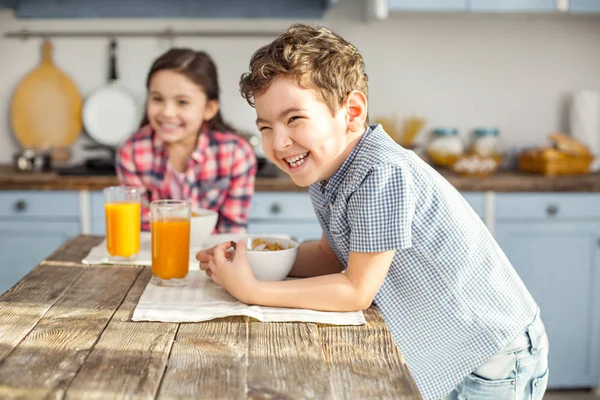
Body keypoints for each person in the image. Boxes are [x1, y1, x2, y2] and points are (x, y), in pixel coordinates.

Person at [196, 24, 549, 400]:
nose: (278, 142)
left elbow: (355, 289)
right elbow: (333, 258)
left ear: (351, 111)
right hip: (456, 351)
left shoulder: (380, 171)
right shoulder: (327, 172)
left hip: (491, 356)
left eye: (294, 119)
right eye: (265, 126)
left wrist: (252, 289)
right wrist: (251, 260)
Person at [116, 48, 257, 232]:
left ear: (209, 108)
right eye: (157, 99)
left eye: (182, 102)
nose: (167, 112)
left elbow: (232, 230)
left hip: (212, 256)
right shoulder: (132, 151)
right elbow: (142, 228)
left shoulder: (236, 154)